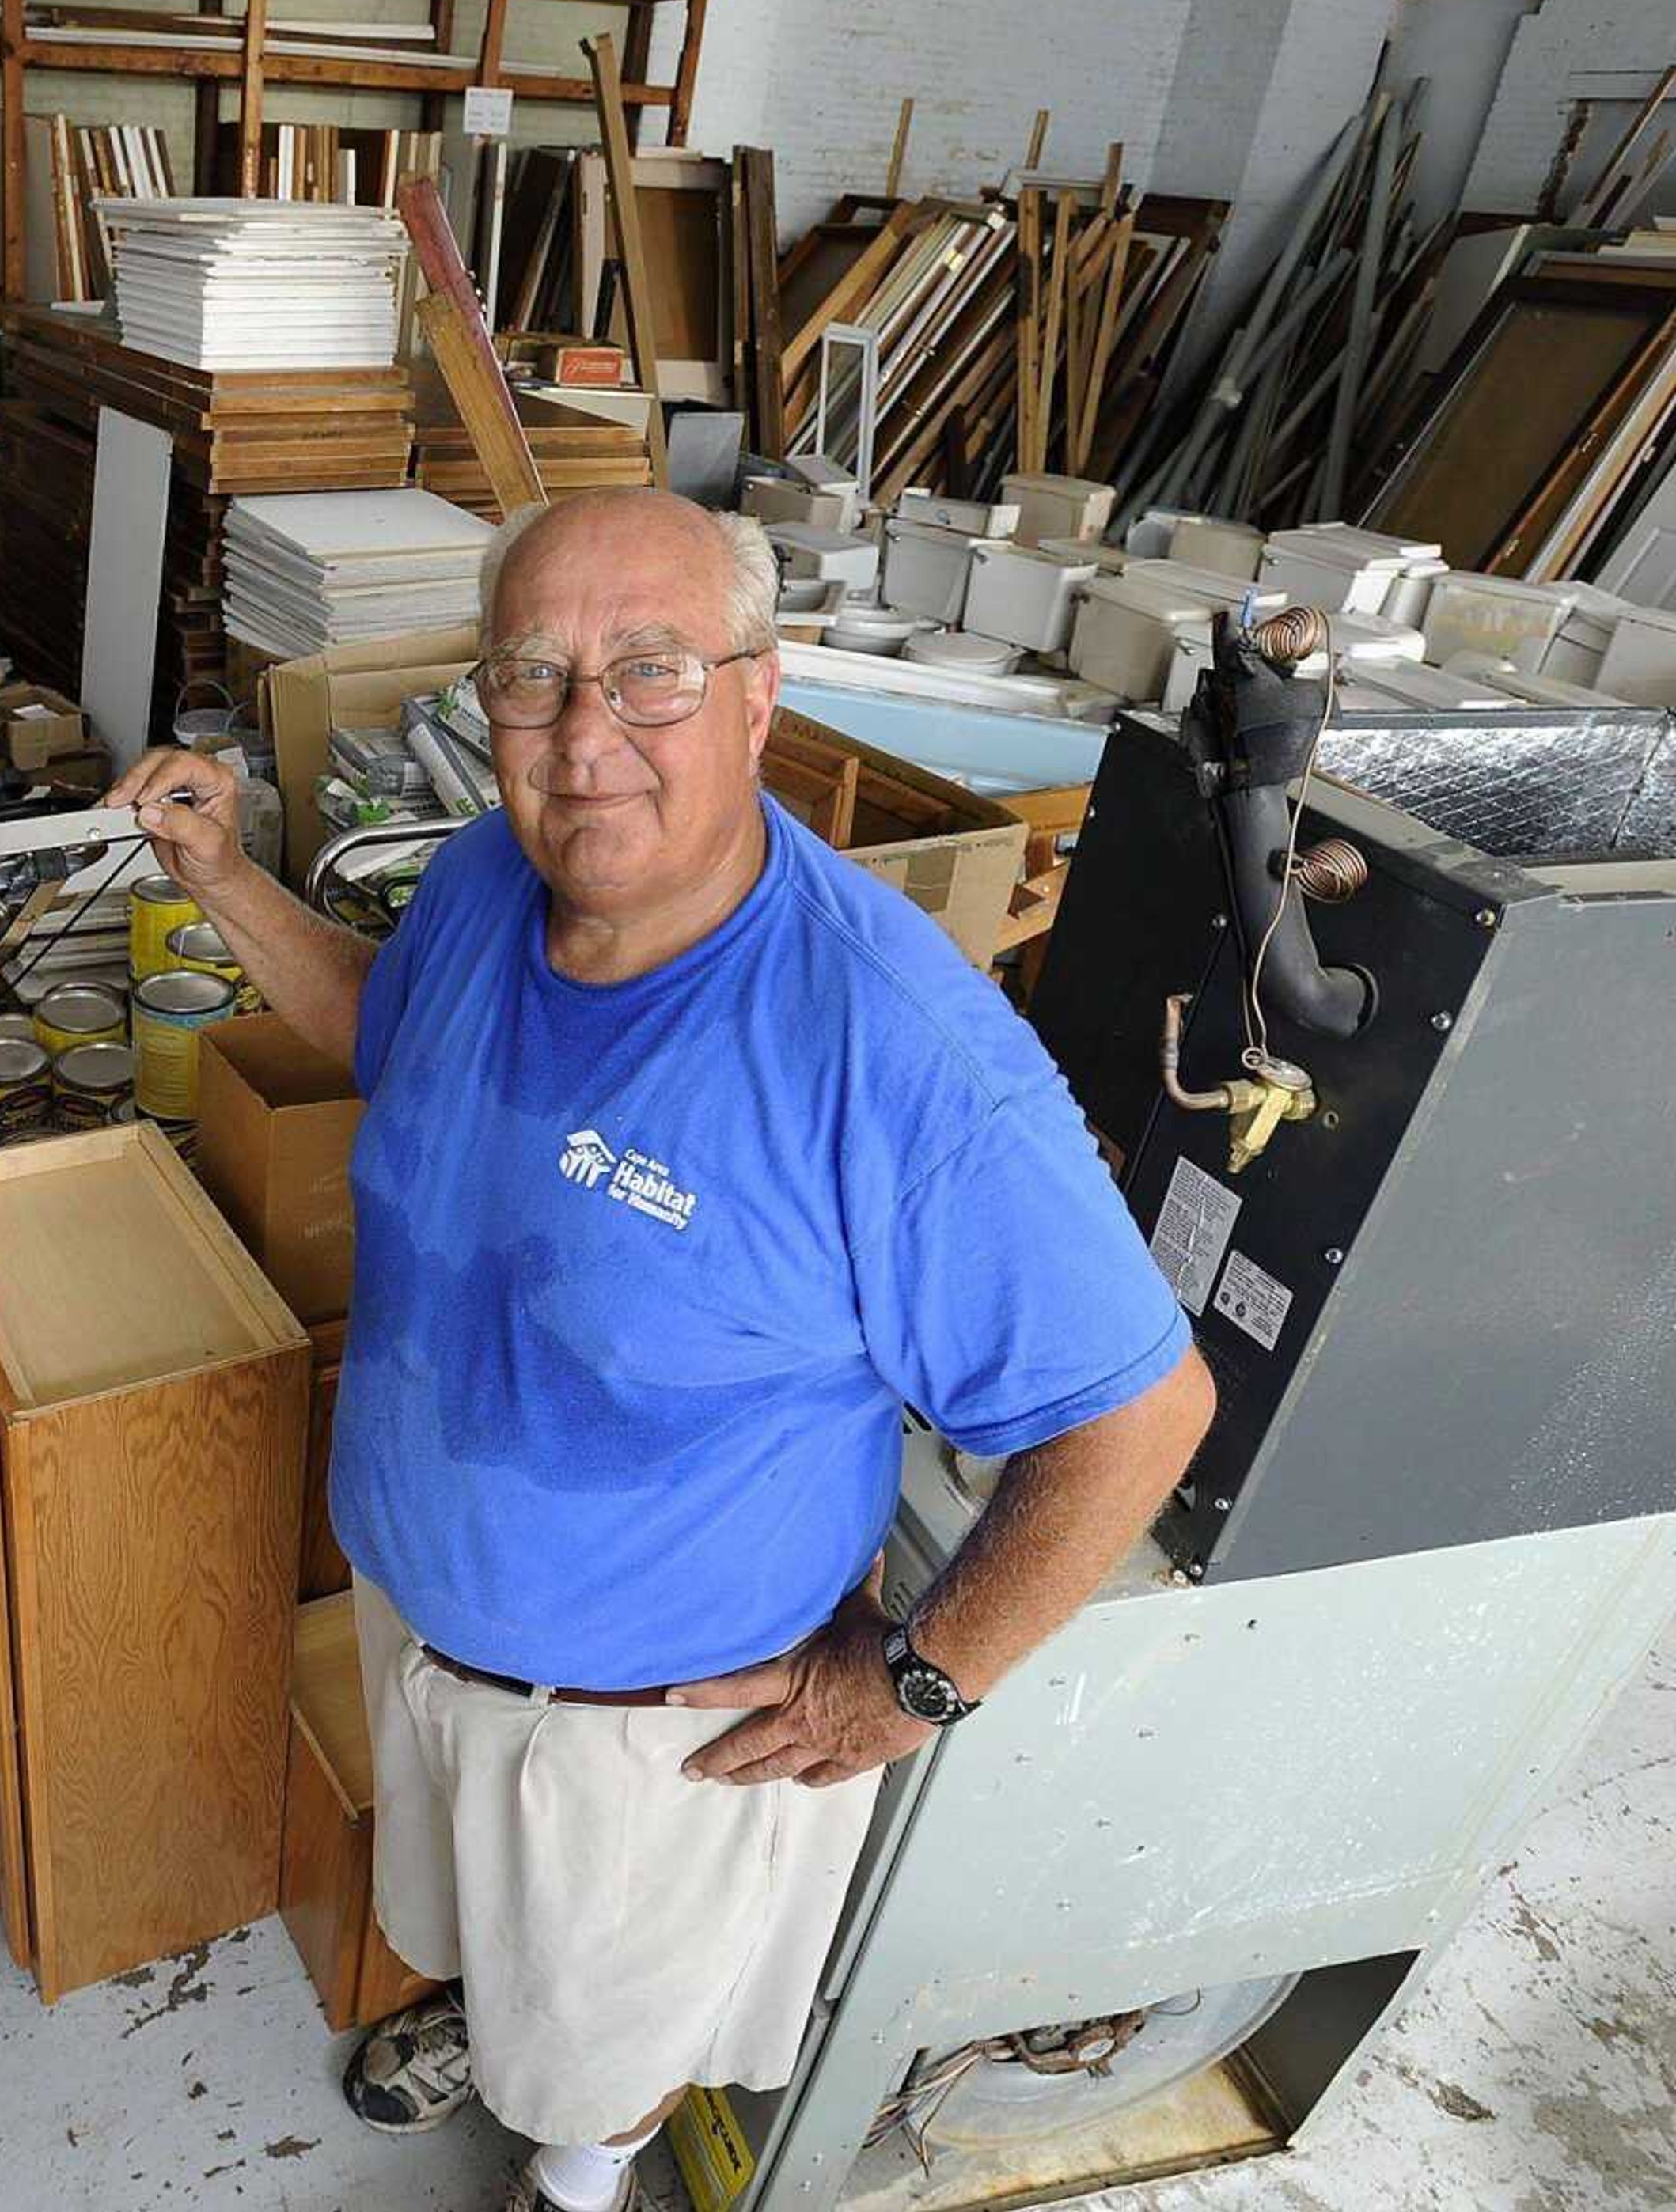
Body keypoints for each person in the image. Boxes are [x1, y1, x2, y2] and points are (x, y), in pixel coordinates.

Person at [106, 491, 1213, 2212]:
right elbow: (391, 1032)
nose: (583, 734)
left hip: (649, 1734)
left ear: (761, 695)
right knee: (509, 1953)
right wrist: (229, 881)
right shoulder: (485, 877)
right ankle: (517, 2039)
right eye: (534, 676)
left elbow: (1143, 1417)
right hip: (432, 1623)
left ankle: (583, 2170)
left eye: (651, 672)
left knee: (609, 2044)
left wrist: (912, 1681)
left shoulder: (894, 1052)